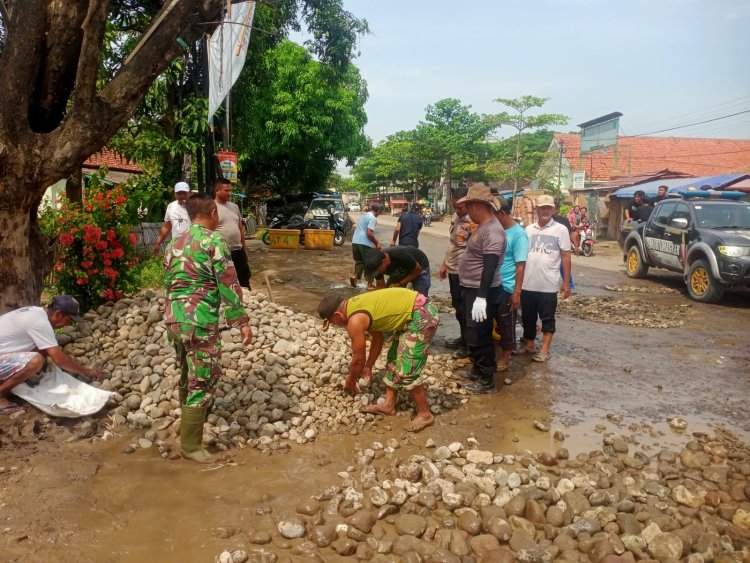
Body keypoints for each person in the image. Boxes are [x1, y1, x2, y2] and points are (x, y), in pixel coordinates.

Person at [164, 194, 253, 462]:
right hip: (199, 319)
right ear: (213, 213)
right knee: (203, 378)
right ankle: (191, 447)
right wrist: (241, 320)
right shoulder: (214, 240)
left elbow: (168, 283)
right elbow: (228, 281)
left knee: (186, 372)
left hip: (174, 319)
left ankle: (186, 429)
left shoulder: (174, 244)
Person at [317, 287, 439, 432]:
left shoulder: (355, 321)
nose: (337, 326)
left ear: (337, 316)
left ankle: (425, 414)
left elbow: (358, 359)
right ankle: (389, 405)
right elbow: (378, 338)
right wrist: (369, 366)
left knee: (408, 368)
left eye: (333, 323)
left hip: (422, 315)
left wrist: (350, 381)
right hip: (410, 315)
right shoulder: (355, 306)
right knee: (393, 360)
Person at [0, 296, 103, 415]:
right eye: (68, 320)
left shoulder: (36, 312)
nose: (67, 324)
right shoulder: (40, 322)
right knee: (35, 361)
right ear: (58, 314)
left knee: (40, 351)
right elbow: (59, 359)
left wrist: (67, 363)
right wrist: (85, 371)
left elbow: (46, 349)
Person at [457, 183, 506, 394]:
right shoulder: (483, 228)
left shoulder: (493, 231)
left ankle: (487, 380)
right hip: (472, 288)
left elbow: (490, 266)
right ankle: (478, 369)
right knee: (472, 332)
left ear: (477, 206)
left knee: (481, 335)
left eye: (467, 207)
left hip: (482, 291)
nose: (466, 212)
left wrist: (481, 298)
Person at [520, 195, 571, 362]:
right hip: (528, 283)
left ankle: (545, 349)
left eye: (548, 207)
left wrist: (566, 283)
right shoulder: (529, 229)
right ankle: (529, 344)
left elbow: (565, 256)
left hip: (548, 284)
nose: (545, 210)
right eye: (542, 207)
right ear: (536, 209)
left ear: (553, 210)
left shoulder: (561, 230)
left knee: (547, 318)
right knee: (527, 317)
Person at [438, 186, 475, 359]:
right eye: (455, 207)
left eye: (461, 207)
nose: (458, 210)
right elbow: (453, 244)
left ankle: (469, 346)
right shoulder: (455, 217)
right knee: (458, 308)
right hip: (453, 269)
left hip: (465, 272)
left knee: (466, 309)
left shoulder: (473, 221)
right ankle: (463, 339)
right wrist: (444, 264)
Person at [494, 200, 528, 371]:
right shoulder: (497, 230)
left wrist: (517, 292)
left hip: (507, 286)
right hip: (494, 284)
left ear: (501, 214)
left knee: (507, 323)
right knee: (494, 322)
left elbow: (520, 265)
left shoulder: (518, 234)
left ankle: (506, 355)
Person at [214, 177, 251, 289]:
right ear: (217, 190)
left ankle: (246, 302)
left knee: (244, 278)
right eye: (226, 191)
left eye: (230, 190)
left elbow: (240, 229)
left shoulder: (234, 207)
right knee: (224, 281)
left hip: (237, 251)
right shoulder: (211, 207)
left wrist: (244, 249)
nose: (230, 193)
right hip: (221, 252)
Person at [364, 246, 431, 297]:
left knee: (420, 297)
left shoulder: (399, 255)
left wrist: (399, 283)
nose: (378, 273)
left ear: (384, 261)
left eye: (378, 271)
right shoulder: (376, 266)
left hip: (419, 267)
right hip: (401, 270)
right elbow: (381, 287)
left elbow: (417, 270)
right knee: (389, 294)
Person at [152, 181, 192, 255]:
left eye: (184, 193)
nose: (182, 195)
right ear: (175, 194)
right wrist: (158, 243)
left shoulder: (196, 206)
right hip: (177, 247)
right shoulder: (171, 206)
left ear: (189, 193)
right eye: (179, 193)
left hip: (194, 246)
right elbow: (167, 226)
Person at [350, 203, 383, 288]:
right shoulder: (372, 218)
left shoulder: (364, 215)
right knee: (369, 263)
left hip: (355, 241)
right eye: (380, 211)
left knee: (359, 261)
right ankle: (370, 284)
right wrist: (377, 243)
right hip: (364, 243)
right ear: (378, 211)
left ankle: (355, 276)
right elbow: (369, 233)